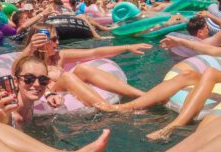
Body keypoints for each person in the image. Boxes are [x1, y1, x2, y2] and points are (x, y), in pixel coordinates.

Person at [97, 13, 221, 141]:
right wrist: (179, 42)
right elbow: (211, 51)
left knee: (210, 73)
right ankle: (124, 107)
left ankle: (174, 125)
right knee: (187, 74)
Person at [19, 25, 149, 108]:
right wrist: (31, 48)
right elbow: (16, 71)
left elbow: (94, 53)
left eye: (57, 38)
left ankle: (143, 96)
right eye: (53, 39)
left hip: (66, 87)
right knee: (67, 76)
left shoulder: (59, 56)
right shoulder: (30, 62)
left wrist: (127, 47)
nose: (57, 42)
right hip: (49, 94)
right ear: (40, 40)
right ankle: (107, 108)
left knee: (82, 69)